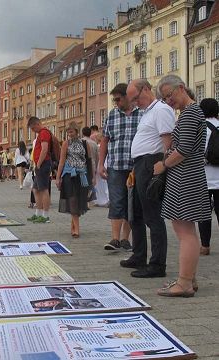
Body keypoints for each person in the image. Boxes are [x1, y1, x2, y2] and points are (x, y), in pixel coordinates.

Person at [153, 75, 210, 297]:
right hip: (190, 176)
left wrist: (163, 165)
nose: (169, 101)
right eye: (165, 98)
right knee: (187, 231)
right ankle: (189, 278)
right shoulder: (194, 112)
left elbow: (183, 149)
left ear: (182, 88)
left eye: (170, 95)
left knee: (185, 231)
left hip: (184, 178)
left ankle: (184, 282)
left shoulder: (189, 114)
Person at [124, 79, 174, 278]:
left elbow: (167, 142)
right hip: (140, 164)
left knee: (153, 215)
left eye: (136, 98)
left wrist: (161, 169)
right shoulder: (148, 112)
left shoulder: (161, 109)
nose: (135, 103)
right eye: (132, 100)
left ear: (146, 89)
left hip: (151, 163)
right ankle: (139, 254)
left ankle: (157, 264)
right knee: (135, 212)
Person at [99, 83, 141, 252]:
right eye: (114, 100)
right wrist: (101, 164)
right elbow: (105, 140)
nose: (116, 103)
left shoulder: (142, 114)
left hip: (135, 167)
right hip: (116, 165)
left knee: (131, 203)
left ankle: (126, 239)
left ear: (127, 97)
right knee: (116, 201)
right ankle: (115, 239)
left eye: (118, 99)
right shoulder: (112, 115)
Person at [56, 122, 95, 237]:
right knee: (72, 199)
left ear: (77, 132)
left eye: (71, 132)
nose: (70, 134)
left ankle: (73, 225)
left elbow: (89, 161)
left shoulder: (85, 143)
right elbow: (61, 161)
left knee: (78, 201)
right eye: (68, 132)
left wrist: (92, 177)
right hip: (69, 175)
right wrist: (58, 177)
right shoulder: (65, 144)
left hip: (82, 175)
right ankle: (77, 229)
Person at [198, 98, 219, 256]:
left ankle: (205, 246)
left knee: (204, 213)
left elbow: (197, 151)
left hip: (204, 177)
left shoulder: (202, 128)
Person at [27, 116, 52, 223]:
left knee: (44, 189)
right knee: (35, 189)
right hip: (39, 164)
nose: (33, 131)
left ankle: (45, 216)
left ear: (37, 124)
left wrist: (39, 164)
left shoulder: (44, 133)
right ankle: (38, 213)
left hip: (43, 164)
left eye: (33, 128)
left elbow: (44, 149)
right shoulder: (40, 134)